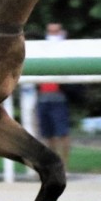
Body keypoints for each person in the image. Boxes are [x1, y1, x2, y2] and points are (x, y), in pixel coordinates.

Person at [36, 22, 72, 169]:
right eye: (50, 31)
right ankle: (53, 164)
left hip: (59, 97)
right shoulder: (42, 49)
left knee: (62, 133)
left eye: (55, 31)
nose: (52, 34)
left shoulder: (65, 49)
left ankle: (65, 165)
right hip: (43, 96)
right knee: (48, 135)